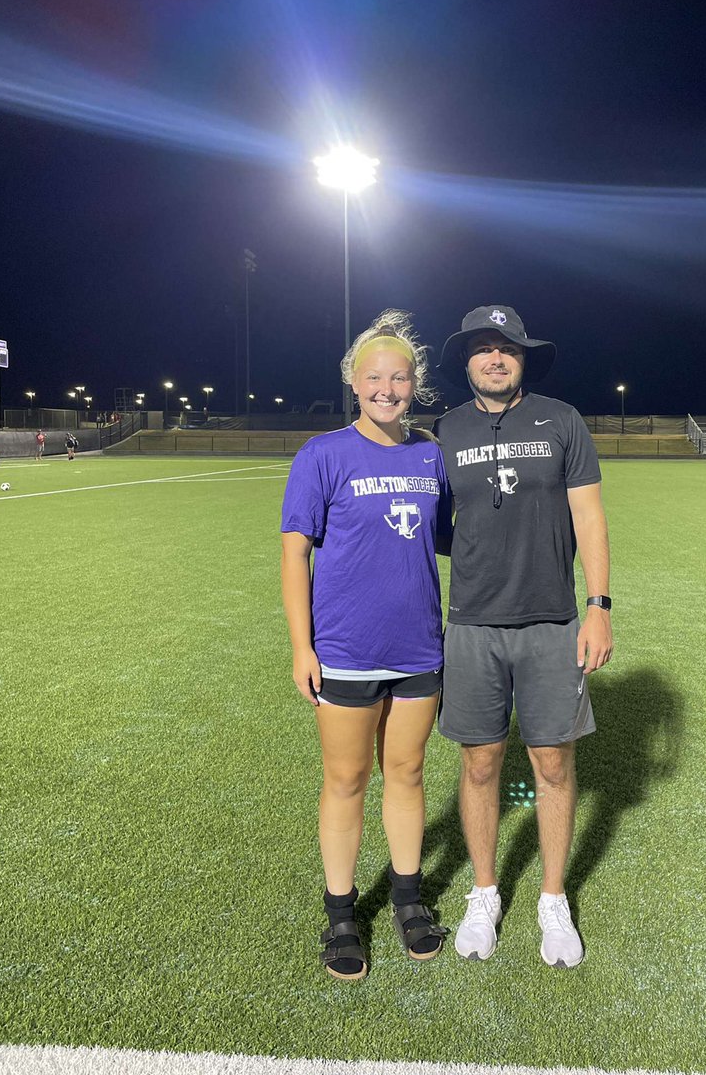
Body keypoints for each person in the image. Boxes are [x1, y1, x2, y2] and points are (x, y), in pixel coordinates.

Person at [434, 305, 613, 969]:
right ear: (467, 361)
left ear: (524, 358)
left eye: (507, 347)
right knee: (480, 764)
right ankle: (485, 893)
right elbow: (436, 526)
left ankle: (552, 899)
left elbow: (590, 518)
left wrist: (597, 605)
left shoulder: (562, 420)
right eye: (483, 348)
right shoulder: (444, 430)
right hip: (473, 624)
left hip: (550, 622)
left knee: (553, 765)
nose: (495, 356)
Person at [280, 309, 453, 981]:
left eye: (400, 377)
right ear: (355, 380)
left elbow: (449, 539)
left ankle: (408, 899)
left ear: (415, 385)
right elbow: (295, 555)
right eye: (375, 376)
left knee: (407, 775)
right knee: (346, 780)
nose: (388, 388)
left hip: (418, 651)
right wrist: (303, 646)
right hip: (346, 651)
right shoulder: (322, 455)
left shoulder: (430, 454)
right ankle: (342, 913)